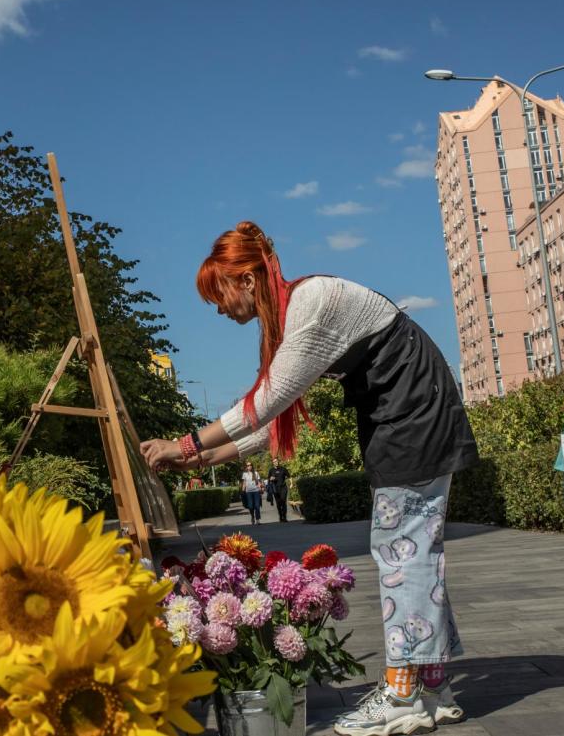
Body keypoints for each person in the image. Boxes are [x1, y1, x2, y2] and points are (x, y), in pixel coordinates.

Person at [140, 221, 478, 734]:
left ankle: (403, 693)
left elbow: (268, 401)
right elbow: (273, 420)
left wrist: (186, 443)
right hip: (408, 408)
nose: (218, 307)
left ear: (247, 281)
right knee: (413, 550)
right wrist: (204, 460)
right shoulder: (293, 315)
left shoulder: (309, 305)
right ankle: (432, 686)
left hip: (412, 412)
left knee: (401, 552)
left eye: (219, 293)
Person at [267, 456, 291, 521]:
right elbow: (268, 479)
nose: (276, 463)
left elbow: (289, 476)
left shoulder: (283, 469)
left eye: (277, 461)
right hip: (275, 489)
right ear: (273, 463)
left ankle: (285, 517)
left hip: (283, 488)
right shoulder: (271, 470)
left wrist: (291, 483)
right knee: (278, 503)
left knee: (283, 501)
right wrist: (271, 479)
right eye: (274, 462)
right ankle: (280, 516)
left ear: (278, 462)